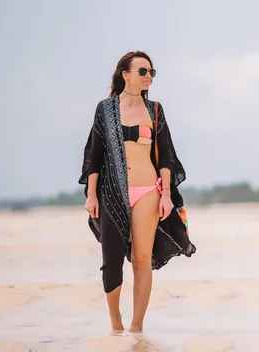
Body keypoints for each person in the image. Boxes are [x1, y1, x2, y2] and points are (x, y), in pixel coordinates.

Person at [79, 51, 196, 334]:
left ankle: (136, 328)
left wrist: (166, 194)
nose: (148, 77)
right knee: (111, 261)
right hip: (112, 193)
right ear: (125, 74)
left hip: (148, 191)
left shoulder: (155, 109)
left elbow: (166, 156)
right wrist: (91, 195)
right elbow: (94, 156)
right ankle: (116, 323)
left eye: (151, 72)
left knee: (142, 259)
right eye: (143, 71)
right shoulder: (105, 110)